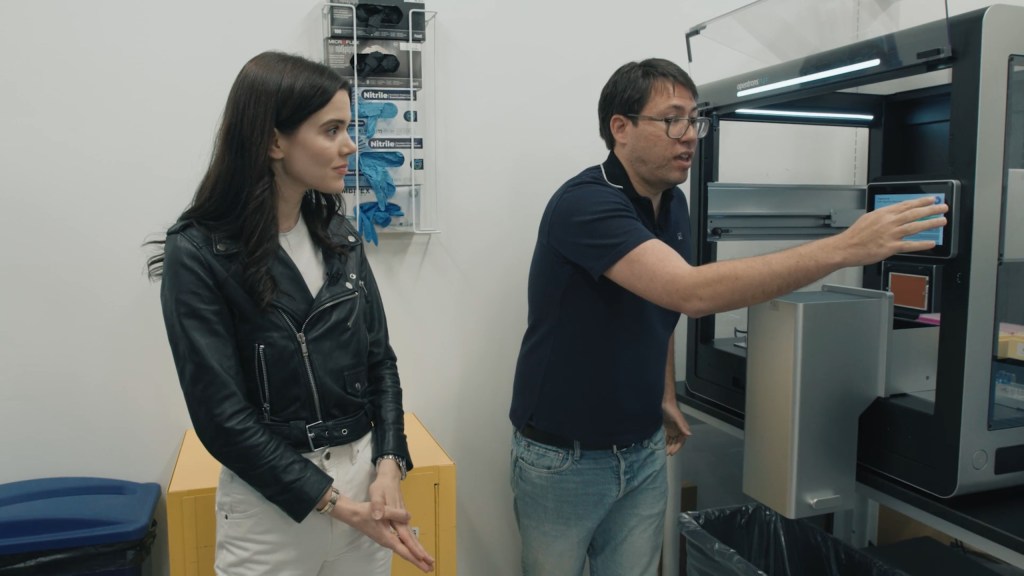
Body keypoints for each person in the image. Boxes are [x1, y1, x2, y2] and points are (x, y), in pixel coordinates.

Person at [508, 58, 947, 576]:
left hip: (643, 447)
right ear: (619, 128)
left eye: (695, 120)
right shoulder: (585, 207)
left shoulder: (672, 203)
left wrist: (664, 393)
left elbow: (662, 300)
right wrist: (845, 248)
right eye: (672, 119)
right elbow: (690, 293)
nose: (689, 136)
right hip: (566, 458)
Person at [148, 51, 434, 575]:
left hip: (365, 487)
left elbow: (380, 364)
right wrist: (335, 505)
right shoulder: (198, 254)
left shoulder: (340, 237)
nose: (350, 145)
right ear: (273, 141)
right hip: (272, 506)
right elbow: (222, 419)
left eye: (348, 128)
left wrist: (389, 465)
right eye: (331, 130)